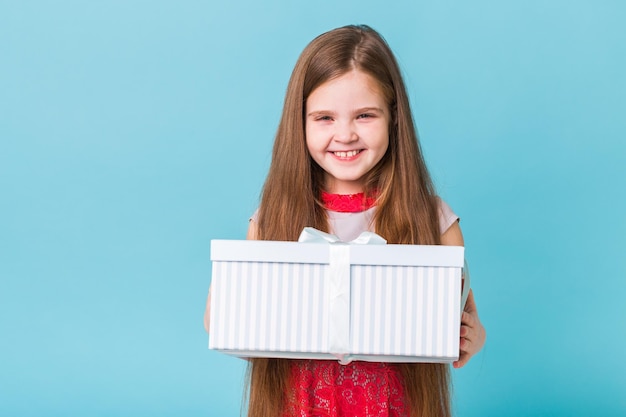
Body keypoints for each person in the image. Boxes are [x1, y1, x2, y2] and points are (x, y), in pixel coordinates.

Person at [204, 24, 486, 417]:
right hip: (299, 403)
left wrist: (471, 338)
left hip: (393, 404)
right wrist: (228, 312)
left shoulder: (433, 218)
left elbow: (468, 322)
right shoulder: (273, 217)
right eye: (324, 118)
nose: (345, 134)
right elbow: (224, 319)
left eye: (365, 115)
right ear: (299, 123)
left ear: (394, 119)